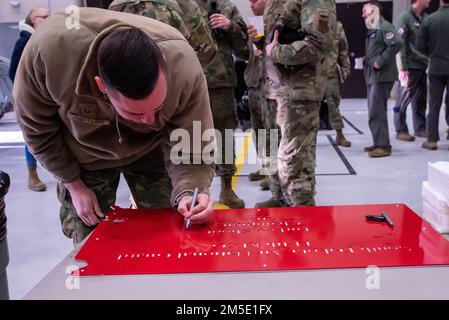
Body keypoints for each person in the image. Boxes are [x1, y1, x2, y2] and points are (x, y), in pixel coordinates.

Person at [13, 8, 215, 243]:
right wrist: (73, 184)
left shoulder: (183, 68)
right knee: (90, 242)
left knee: (172, 232)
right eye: (135, 112)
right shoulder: (49, 56)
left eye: (158, 108)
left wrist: (189, 191)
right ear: (101, 87)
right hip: (84, 156)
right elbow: (37, 130)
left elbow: (193, 141)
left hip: (152, 149)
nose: (150, 120)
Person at [265, 0, 337, 206]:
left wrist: (275, 52)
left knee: (296, 164)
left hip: (300, 91)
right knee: (285, 158)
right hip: (282, 88)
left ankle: (303, 218)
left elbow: (319, 43)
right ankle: (285, 204)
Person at [194, 0, 249, 209]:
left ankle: (227, 189)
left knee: (224, 137)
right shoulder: (180, 5)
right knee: (191, 138)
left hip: (222, 82)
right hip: (190, 82)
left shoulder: (227, 7)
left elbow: (245, 49)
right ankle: (195, 191)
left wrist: (230, 27)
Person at [249, 0, 286, 208]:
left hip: (281, 90)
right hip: (264, 89)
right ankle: (277, 192)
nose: (252, 4)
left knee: (283, 144)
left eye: (255, 0)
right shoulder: (258, 24)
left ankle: (284, 193)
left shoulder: (283, 14)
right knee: (269, 140)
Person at [9, 7, 49, 192]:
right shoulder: (23, 42)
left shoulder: (47, 38)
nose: (48, 19)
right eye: (44, 17)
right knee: (31, 134)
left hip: (47, 94)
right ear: (33, 19)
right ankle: (32, 176)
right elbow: (12, 73)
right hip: (30, 96)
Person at [108, 0, 217, 67]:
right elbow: (207, 53)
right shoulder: (183, 4)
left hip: (124, 89)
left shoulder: (115, 5)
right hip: (171, 87)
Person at [362, 1, 402, 158]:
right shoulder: (374, 28)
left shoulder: (384, 26)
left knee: (376, 111)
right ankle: (378, 142)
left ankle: (383, 146)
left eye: (365, 11)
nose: (363, 14)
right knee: (375, 110)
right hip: (373, 76)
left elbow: (397, 42)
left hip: (381, 77)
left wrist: (380, 60)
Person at [393, 0, 430, 142]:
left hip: (423, 65)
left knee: (420, 99)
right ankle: (400, 129)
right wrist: (402, 67)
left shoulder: (426, 19)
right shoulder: (404, 19)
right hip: (410, 66)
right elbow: (399, 44)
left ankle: (420, 128)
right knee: (403, 99)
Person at [417, 0, 449, 151]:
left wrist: (433, 54)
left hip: (436, 67)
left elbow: (420, 46)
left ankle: (431, 140)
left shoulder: (430, 19)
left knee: (434, 104)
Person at [245, 0, 269, 189]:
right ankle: (265, 166)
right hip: (253, 82)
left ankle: (274, 173)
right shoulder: (254, 25)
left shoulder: (277, 21)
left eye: (255, 0)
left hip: (269, 85)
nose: (251, 4)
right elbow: (246, 54)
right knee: (258, 129)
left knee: (271, 131)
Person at [324, 20, 351, 147]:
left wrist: (345, 67)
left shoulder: (336, 26)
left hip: (330, 72)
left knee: (333, 104)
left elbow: (343, 49)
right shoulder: (305, 22)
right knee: (307, 108)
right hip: (309, 74)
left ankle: (339, 134)